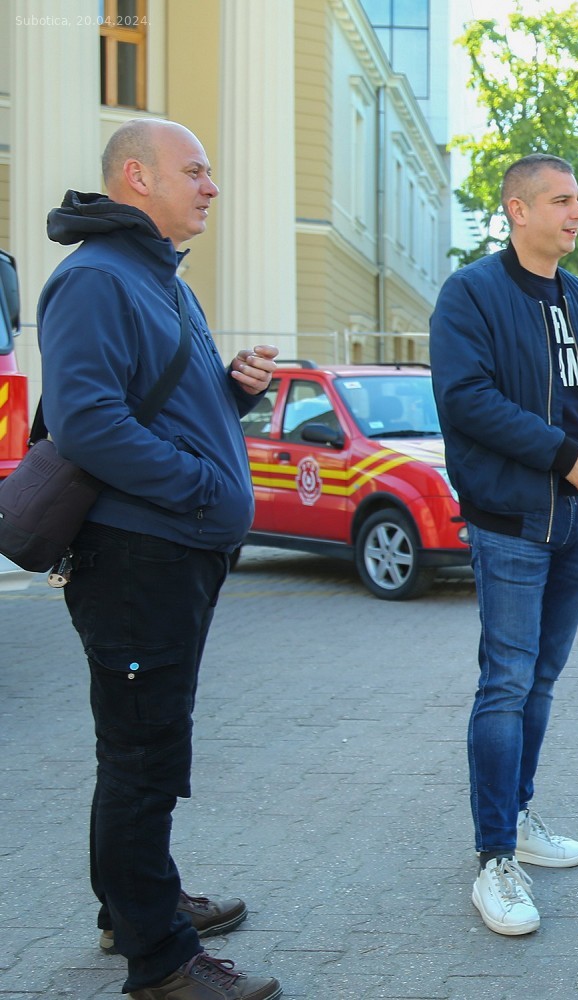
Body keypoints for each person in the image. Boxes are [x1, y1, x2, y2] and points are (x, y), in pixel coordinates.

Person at [38, 119, 281, 999]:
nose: (212, 186)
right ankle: (161, 960)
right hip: (137, 555)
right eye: (196, 171)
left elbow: (162, 408)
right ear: (137, 177)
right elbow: (88, 423)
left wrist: (230, 394)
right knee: (142, 755)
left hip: (171, 551)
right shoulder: (96, 279)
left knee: (145, 744)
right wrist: (204, 487)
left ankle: (133, 904)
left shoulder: (158, 279)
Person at [429, 154, 578, 935]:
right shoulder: (471, 293)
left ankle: (517, 819)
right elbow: (466, 399)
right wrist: (564, 455)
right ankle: (494, 858)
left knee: (542, 682)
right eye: (562, 200)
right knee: (507, 684)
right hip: (512, 523)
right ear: (518, 210)